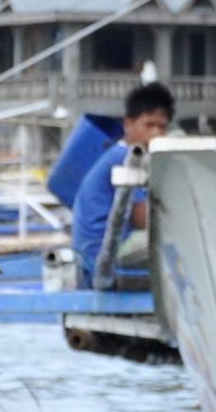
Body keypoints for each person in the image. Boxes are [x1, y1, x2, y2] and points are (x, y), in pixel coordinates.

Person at [71, 79, 173, 284]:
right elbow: (142, 218)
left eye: (162, 127)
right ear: (128, 124)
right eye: (149, 125)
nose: (156, 133)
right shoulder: (124, 158)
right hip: (102, 252)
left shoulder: (127, 155)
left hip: (103, 247)